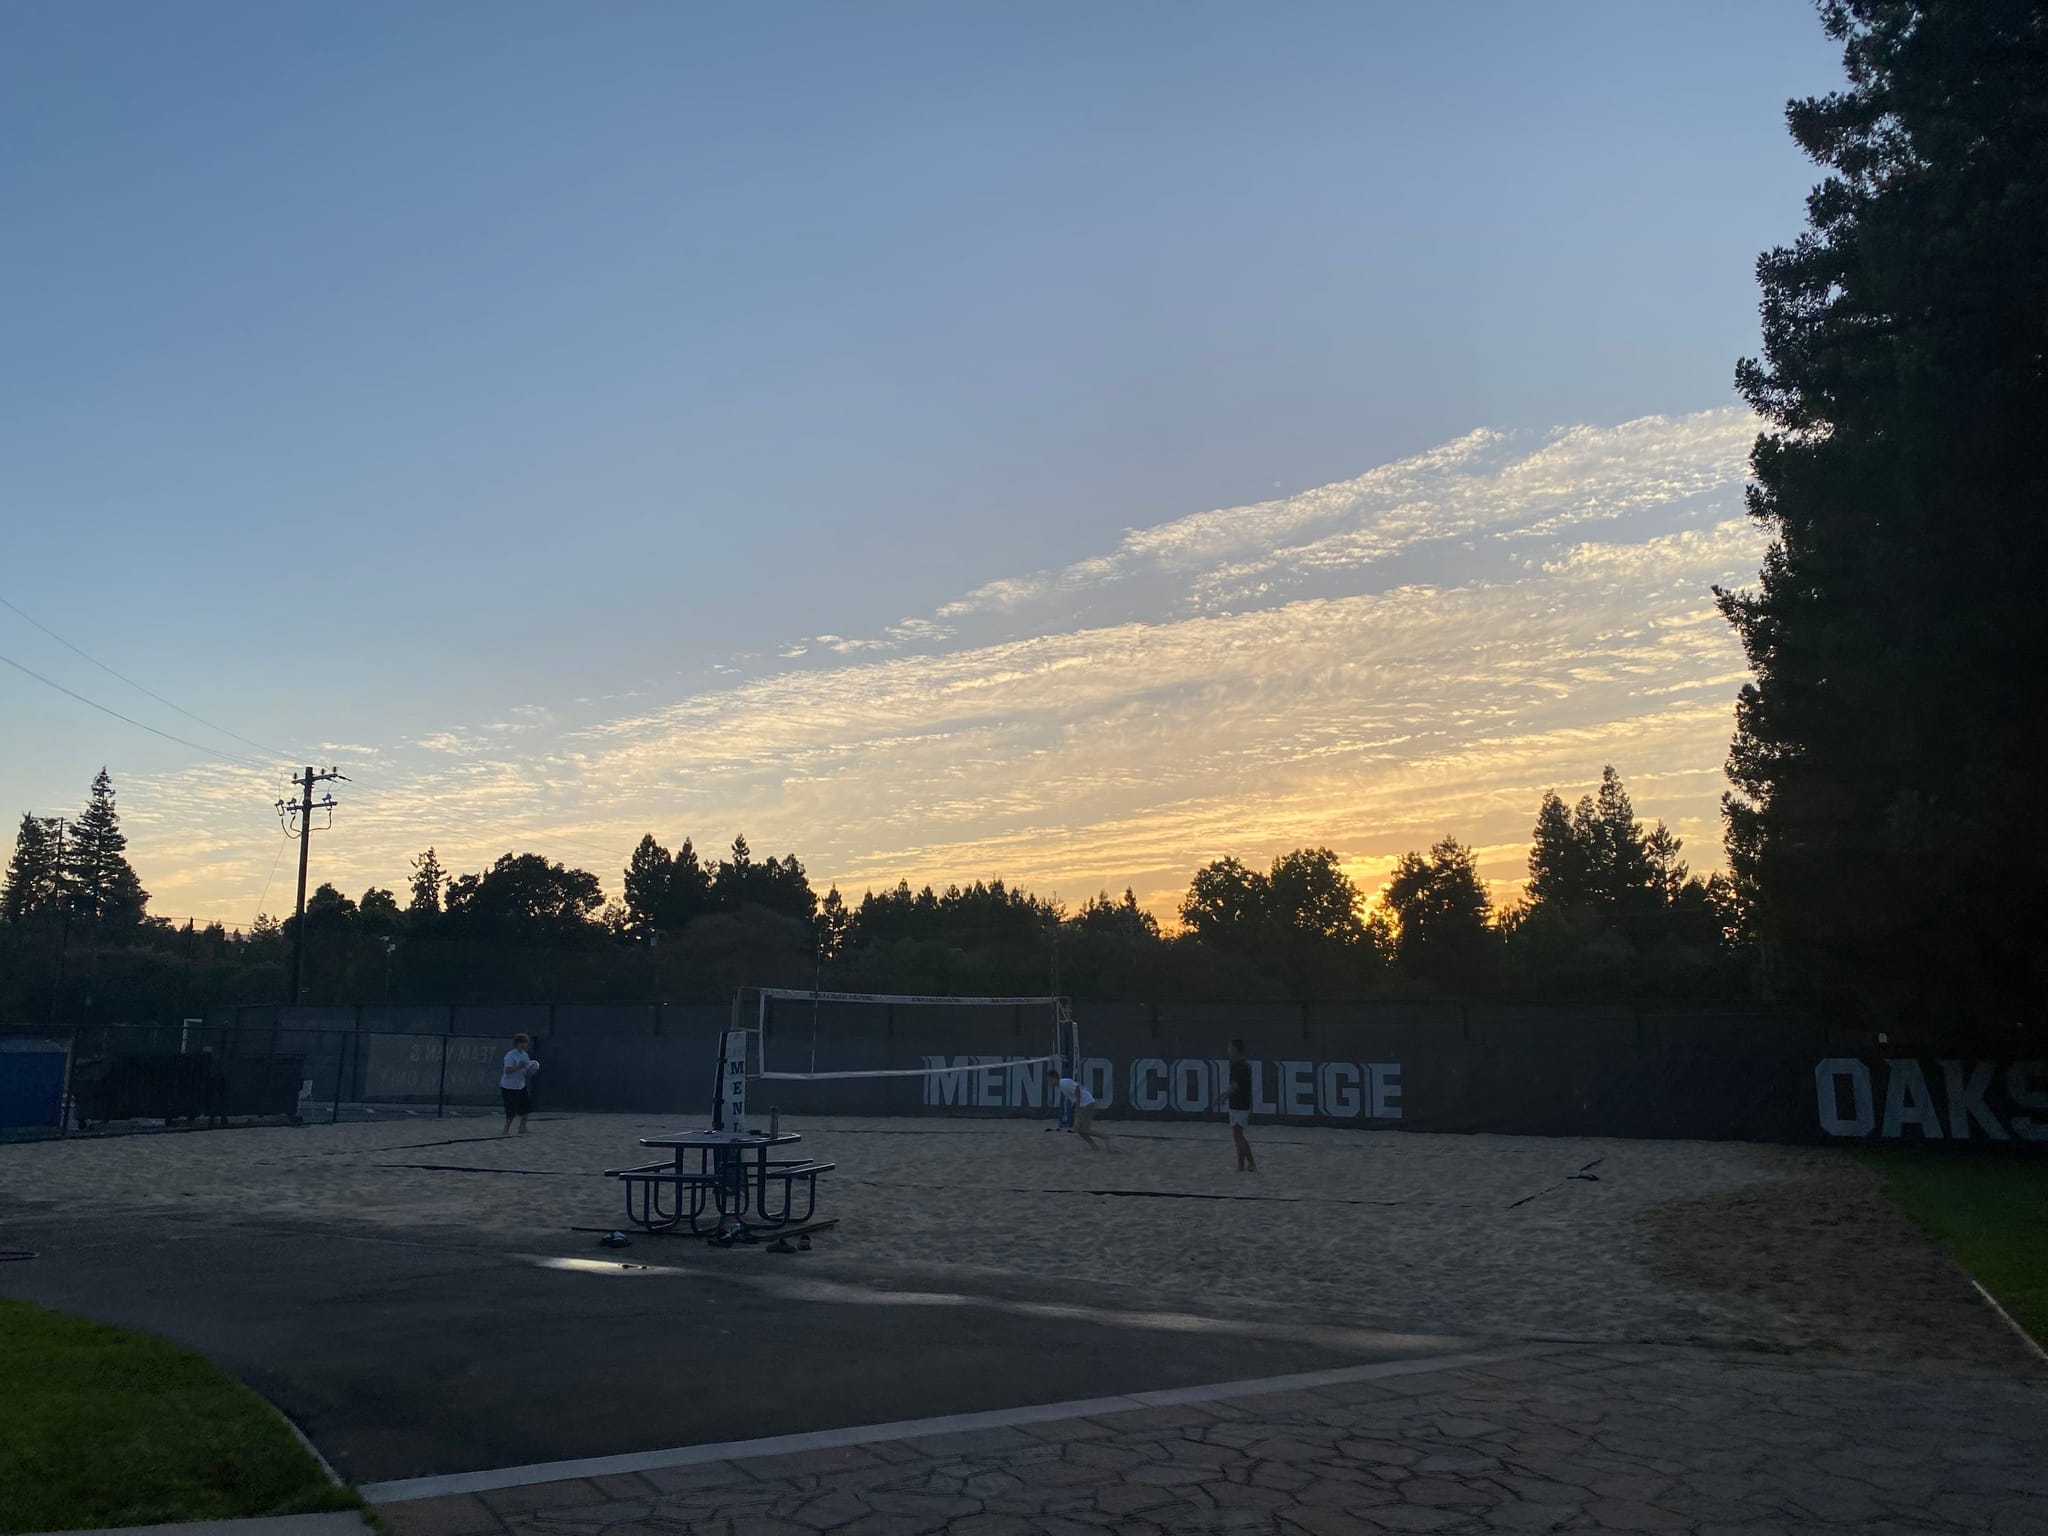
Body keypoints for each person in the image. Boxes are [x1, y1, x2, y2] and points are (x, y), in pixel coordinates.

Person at [1211, 1038, 1256, 1172]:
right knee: (1238, 1135)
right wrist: (1223, 1096)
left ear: (1236, 1049)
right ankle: (1241, 1166)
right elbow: (1237, 1086)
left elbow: (1234, 1086)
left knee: (1238, 1135)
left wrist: (1223, 1097)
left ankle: (1251, 1163)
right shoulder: (1245, 1065)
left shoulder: (1238, 1066)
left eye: (1230, 1048)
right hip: (1243, 1103)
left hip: (1238, 1104)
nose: (1228, 1051)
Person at [1053, 1070, 1106, 1150]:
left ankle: (1103, 1137)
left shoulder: (1063, 1082)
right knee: (1079, 1129)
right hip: (1085, 1104)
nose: (1049, 1083)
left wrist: (1077, 1106)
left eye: (1049, 1080)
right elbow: (1076, 1092)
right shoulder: (1061, 1085)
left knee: (1080, 1128)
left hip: (1086, 1104)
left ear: (1053, 1078)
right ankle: (1094, 1145)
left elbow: (1077, 1089)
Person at [500, 1032, 539, 1136]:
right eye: (521, 1042)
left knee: (526, 1109)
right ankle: (505, 1131)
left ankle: (522, 1128)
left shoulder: (525, 1055)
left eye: (525, 1042)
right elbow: (507, 1071)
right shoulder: (510, 1055)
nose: (523, 1044)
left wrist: (531, 1072)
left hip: (520, 1086)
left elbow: (526, 1072)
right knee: (511, 1111)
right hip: (508, 1086)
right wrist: (519, 1066)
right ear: (516, 1044)